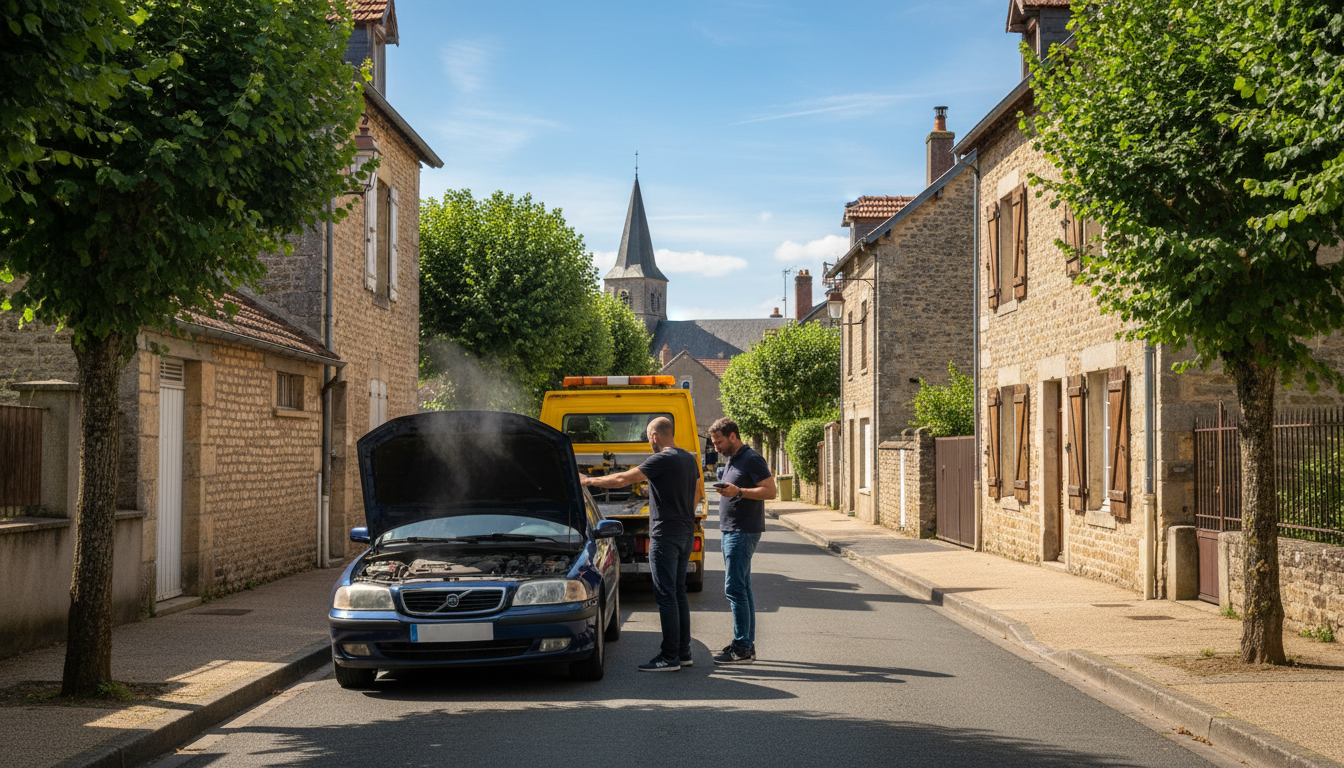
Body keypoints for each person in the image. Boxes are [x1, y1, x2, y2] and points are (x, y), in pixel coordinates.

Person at [581, 417, 702, 671]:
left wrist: (588, 481)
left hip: (665, 536)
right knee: (679, 592)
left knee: (666, 595)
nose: (649, 443)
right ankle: (684, 652)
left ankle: (669, 657)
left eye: (649, 438)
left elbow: (623, 479)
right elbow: (698, 493)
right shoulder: (689, 459)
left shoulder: (661, 459)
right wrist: (685, 517)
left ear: (655, 436)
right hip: (684, 534)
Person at [707, 417, 776, 664]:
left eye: (719, 441)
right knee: (743, 588)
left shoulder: (752, 458)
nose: (716, 447)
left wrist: (739, 492)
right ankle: (745, 644)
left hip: (742, 531)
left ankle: (743, 647)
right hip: (731, 530)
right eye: (714, 442)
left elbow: (770, 491)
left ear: (733, 436)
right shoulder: (732, 459)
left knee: (734, 588)